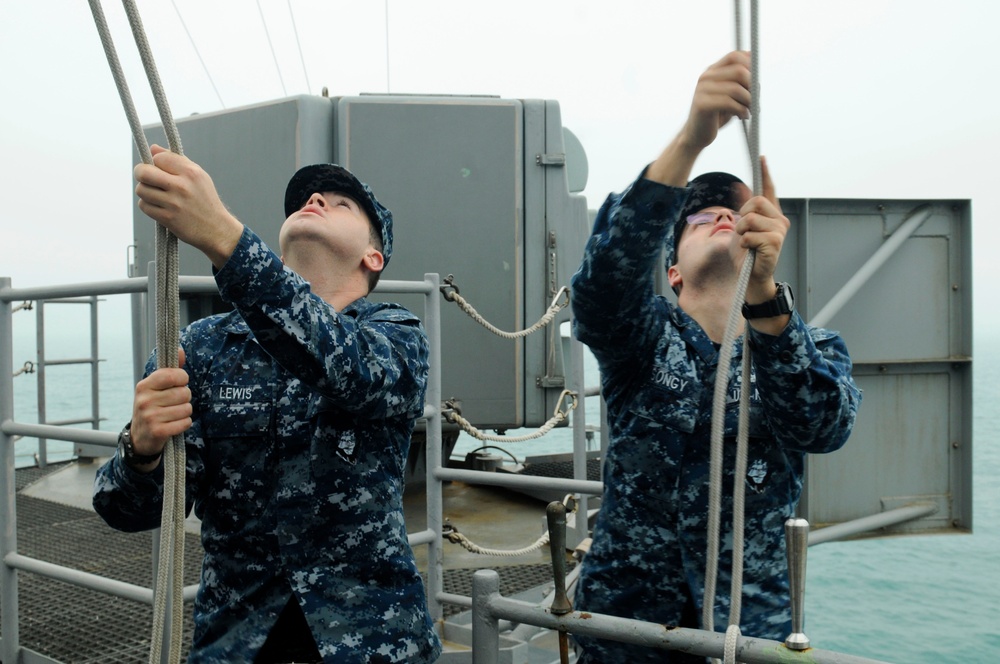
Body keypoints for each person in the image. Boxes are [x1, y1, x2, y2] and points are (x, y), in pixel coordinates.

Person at [92, 146, 442, 664]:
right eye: (306, 199)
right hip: (238, 646)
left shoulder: (395, 337)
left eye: (342, 203)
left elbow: (346, 367)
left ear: (374, 256)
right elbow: (132, 512)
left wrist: (223, 238)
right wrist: (139, 451)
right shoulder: (203, 347)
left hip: (376, 641)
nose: (316, 198)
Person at [569, 51, 862, 662]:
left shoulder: (808, 344)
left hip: (747, 632)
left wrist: (763, 298)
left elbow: (822, 426)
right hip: (626, 631)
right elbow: (600, 287)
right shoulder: (642, 340)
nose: (726, 215)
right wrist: (692, 137)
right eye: (704, 216)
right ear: (671, 270)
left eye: (738, 211)